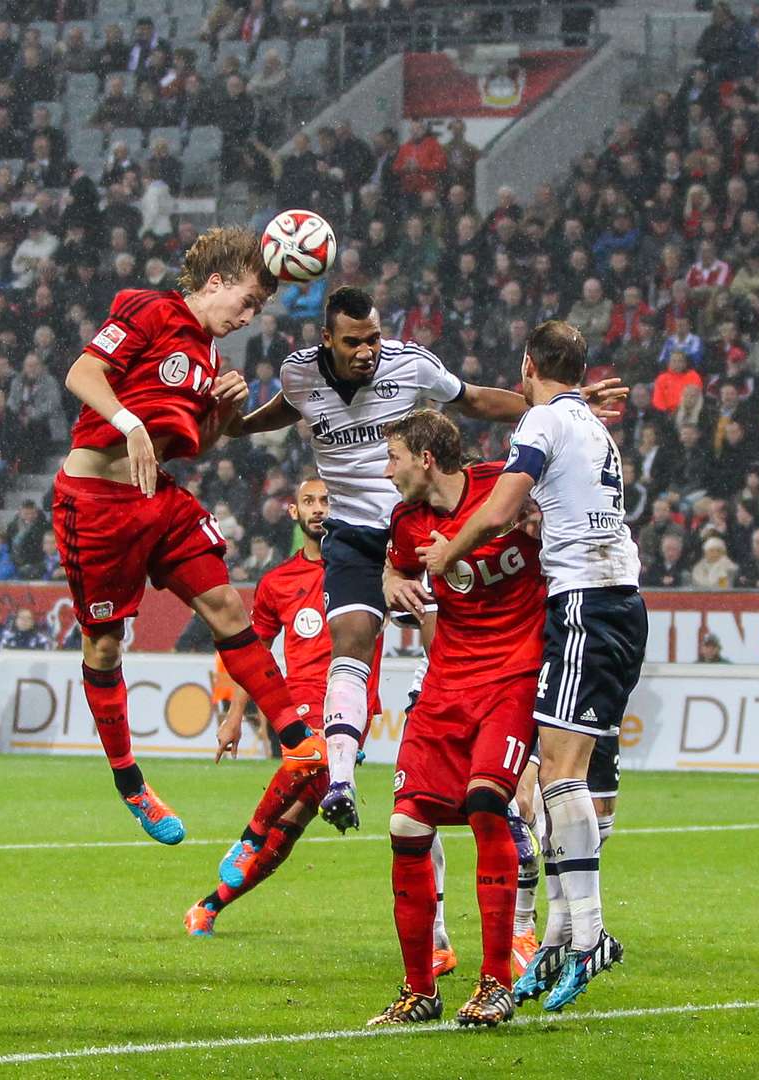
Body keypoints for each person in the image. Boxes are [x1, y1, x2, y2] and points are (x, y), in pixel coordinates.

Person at [228, 285, 622, 832]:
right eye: (353, 342)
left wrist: (559, 405)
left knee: (450, 657)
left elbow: (477, 400)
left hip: (420, 532)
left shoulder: (410, 364)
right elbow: (271, 415)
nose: (367, 350)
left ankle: (495, 783)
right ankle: (340, 777)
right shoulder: (300, 374)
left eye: (373, 338)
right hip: (354, 536)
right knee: (352, 642)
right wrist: (231, 420)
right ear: (327, 339)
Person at [52, 226, 326, 845]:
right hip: (94, 504)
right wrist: (129, 424)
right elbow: (82, 373)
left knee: (228, 606)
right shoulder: (149, 310)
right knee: (103, 649)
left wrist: (225, 409)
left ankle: (297, 742)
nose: (250, 316)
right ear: (216, 282)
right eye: (249, 301)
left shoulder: (209, 361)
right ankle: (131, 784)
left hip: (159, 499)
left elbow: (198, 446)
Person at [418, 321, 640, 1014]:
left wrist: (448, 552)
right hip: (615, 600)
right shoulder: (591, 426)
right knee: (554, 774)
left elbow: (503, 505)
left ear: (526, 366)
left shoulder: (545, 419)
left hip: (586, 604)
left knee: (557, 776)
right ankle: (560, 937)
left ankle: (590, 934)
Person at [373, 410, 539, 1027]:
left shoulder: (505, 487)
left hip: (513, 676)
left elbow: (565, 501)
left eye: (393, 458)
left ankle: (496, 983)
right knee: (406, 825)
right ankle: (421, 992)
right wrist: (392, 578)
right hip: (445, 683)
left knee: (485, 805)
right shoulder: (407, 521)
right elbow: (398, 563)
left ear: (424, 456)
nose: (387, 471)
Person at [185, 478, 379, 935]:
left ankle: (211, 903)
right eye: (308, 501)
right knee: (299, 783)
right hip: (301, 705)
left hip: (355, 705)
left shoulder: (367, 569)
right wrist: (234, 716)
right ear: (293, 511)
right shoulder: (277, 583)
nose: (318, 509)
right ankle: (247, 842)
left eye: (326, 501)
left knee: (293, 821)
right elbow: (253, 656)